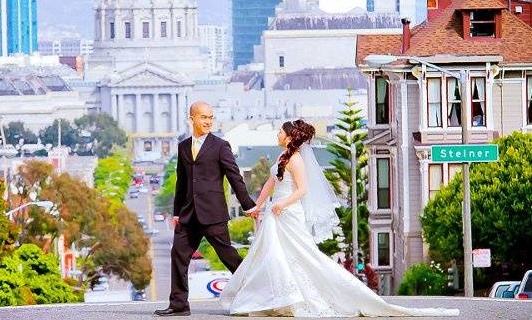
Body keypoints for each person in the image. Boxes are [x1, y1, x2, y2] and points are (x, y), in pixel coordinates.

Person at [220, 120, 460, 317]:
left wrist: (282, 204)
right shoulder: (282, 157)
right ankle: (276, 298)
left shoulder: (296, 160)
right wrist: (258, 206)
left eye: (280, 131)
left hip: (289, 213)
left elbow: (302, 190)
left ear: (290, 136)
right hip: (276, 213)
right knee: (272, 255)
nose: (277, 134)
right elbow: (270, 183)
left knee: (304, 256)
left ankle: (300, 297)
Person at [154, 101, 260, 317]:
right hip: (188, 214)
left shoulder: (221, 145)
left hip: (213, 213)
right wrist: (176, 212)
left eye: (211, 117)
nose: (208, 121)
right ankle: (179, 305)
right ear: (192, 118)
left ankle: (254, 295)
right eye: (204, 117)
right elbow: (181, 182)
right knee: (178, 255)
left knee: (228, 255)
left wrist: (248, 204)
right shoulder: (183, 146)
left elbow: (234, 177)